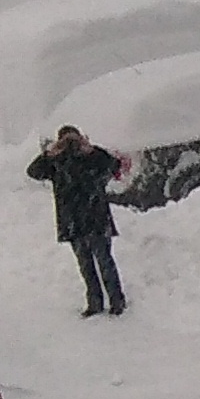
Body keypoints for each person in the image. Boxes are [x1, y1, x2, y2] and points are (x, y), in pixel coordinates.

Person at [28, 123, 128, 316]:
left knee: (105, 261)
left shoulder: (92, 157)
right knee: (86, 266)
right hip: (74, 223)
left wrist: (91, 150)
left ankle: (117, 302)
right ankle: (94, 303)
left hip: (96, 219)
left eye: (74, 139)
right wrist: (49, 154)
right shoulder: (56, 163)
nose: (71, 145)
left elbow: (114, 166)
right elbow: (33, 172)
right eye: (66, 141)